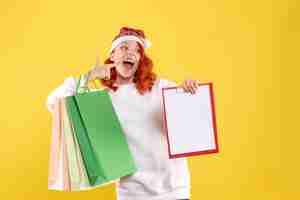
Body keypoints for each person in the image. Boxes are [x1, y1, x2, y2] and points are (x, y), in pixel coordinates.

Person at [46, 26, 201, 200]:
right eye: (124, 48)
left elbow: (190, 119)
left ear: (140, 59)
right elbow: (53, 102)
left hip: (174, 189)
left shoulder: (161, 87)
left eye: (137, 51)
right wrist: (89, 76)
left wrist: (189, 91)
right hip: (132, 193)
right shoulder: (102, 97)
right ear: (112, 55)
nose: (130, 53)